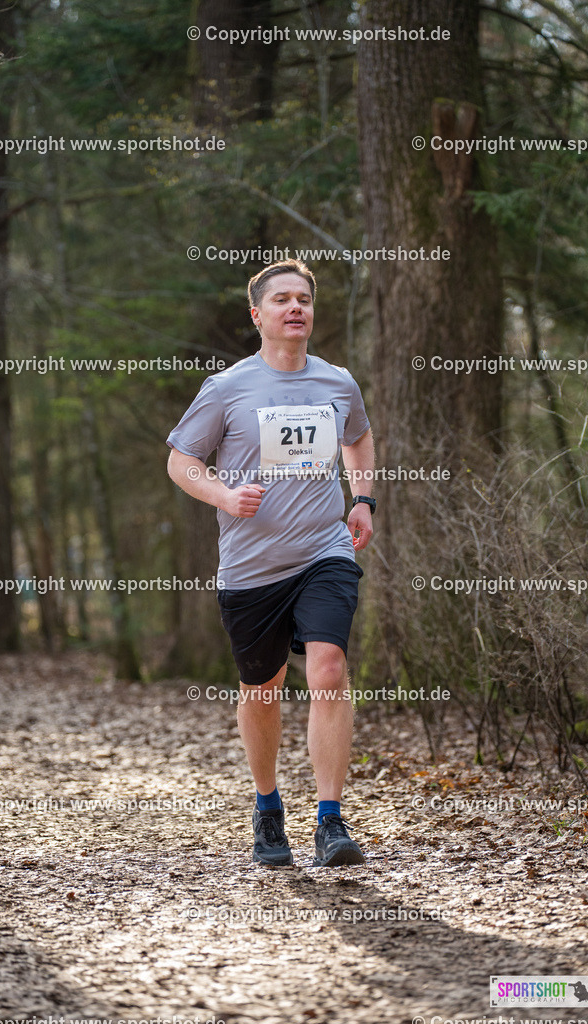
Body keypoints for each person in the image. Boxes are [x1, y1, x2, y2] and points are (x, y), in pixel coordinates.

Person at [166, 258, 375, 867]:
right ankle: (267, 807)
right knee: (262, 689)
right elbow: (181, 462)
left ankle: (331, 821)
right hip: (252, 567)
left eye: (304, 300)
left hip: (324, 550)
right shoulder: (228, 388)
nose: (295, 308)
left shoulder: (338, 383)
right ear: (257, 315)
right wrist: (225, 496)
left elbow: (358, 438)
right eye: (282, 299)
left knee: (329, 667)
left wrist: (361, 499)